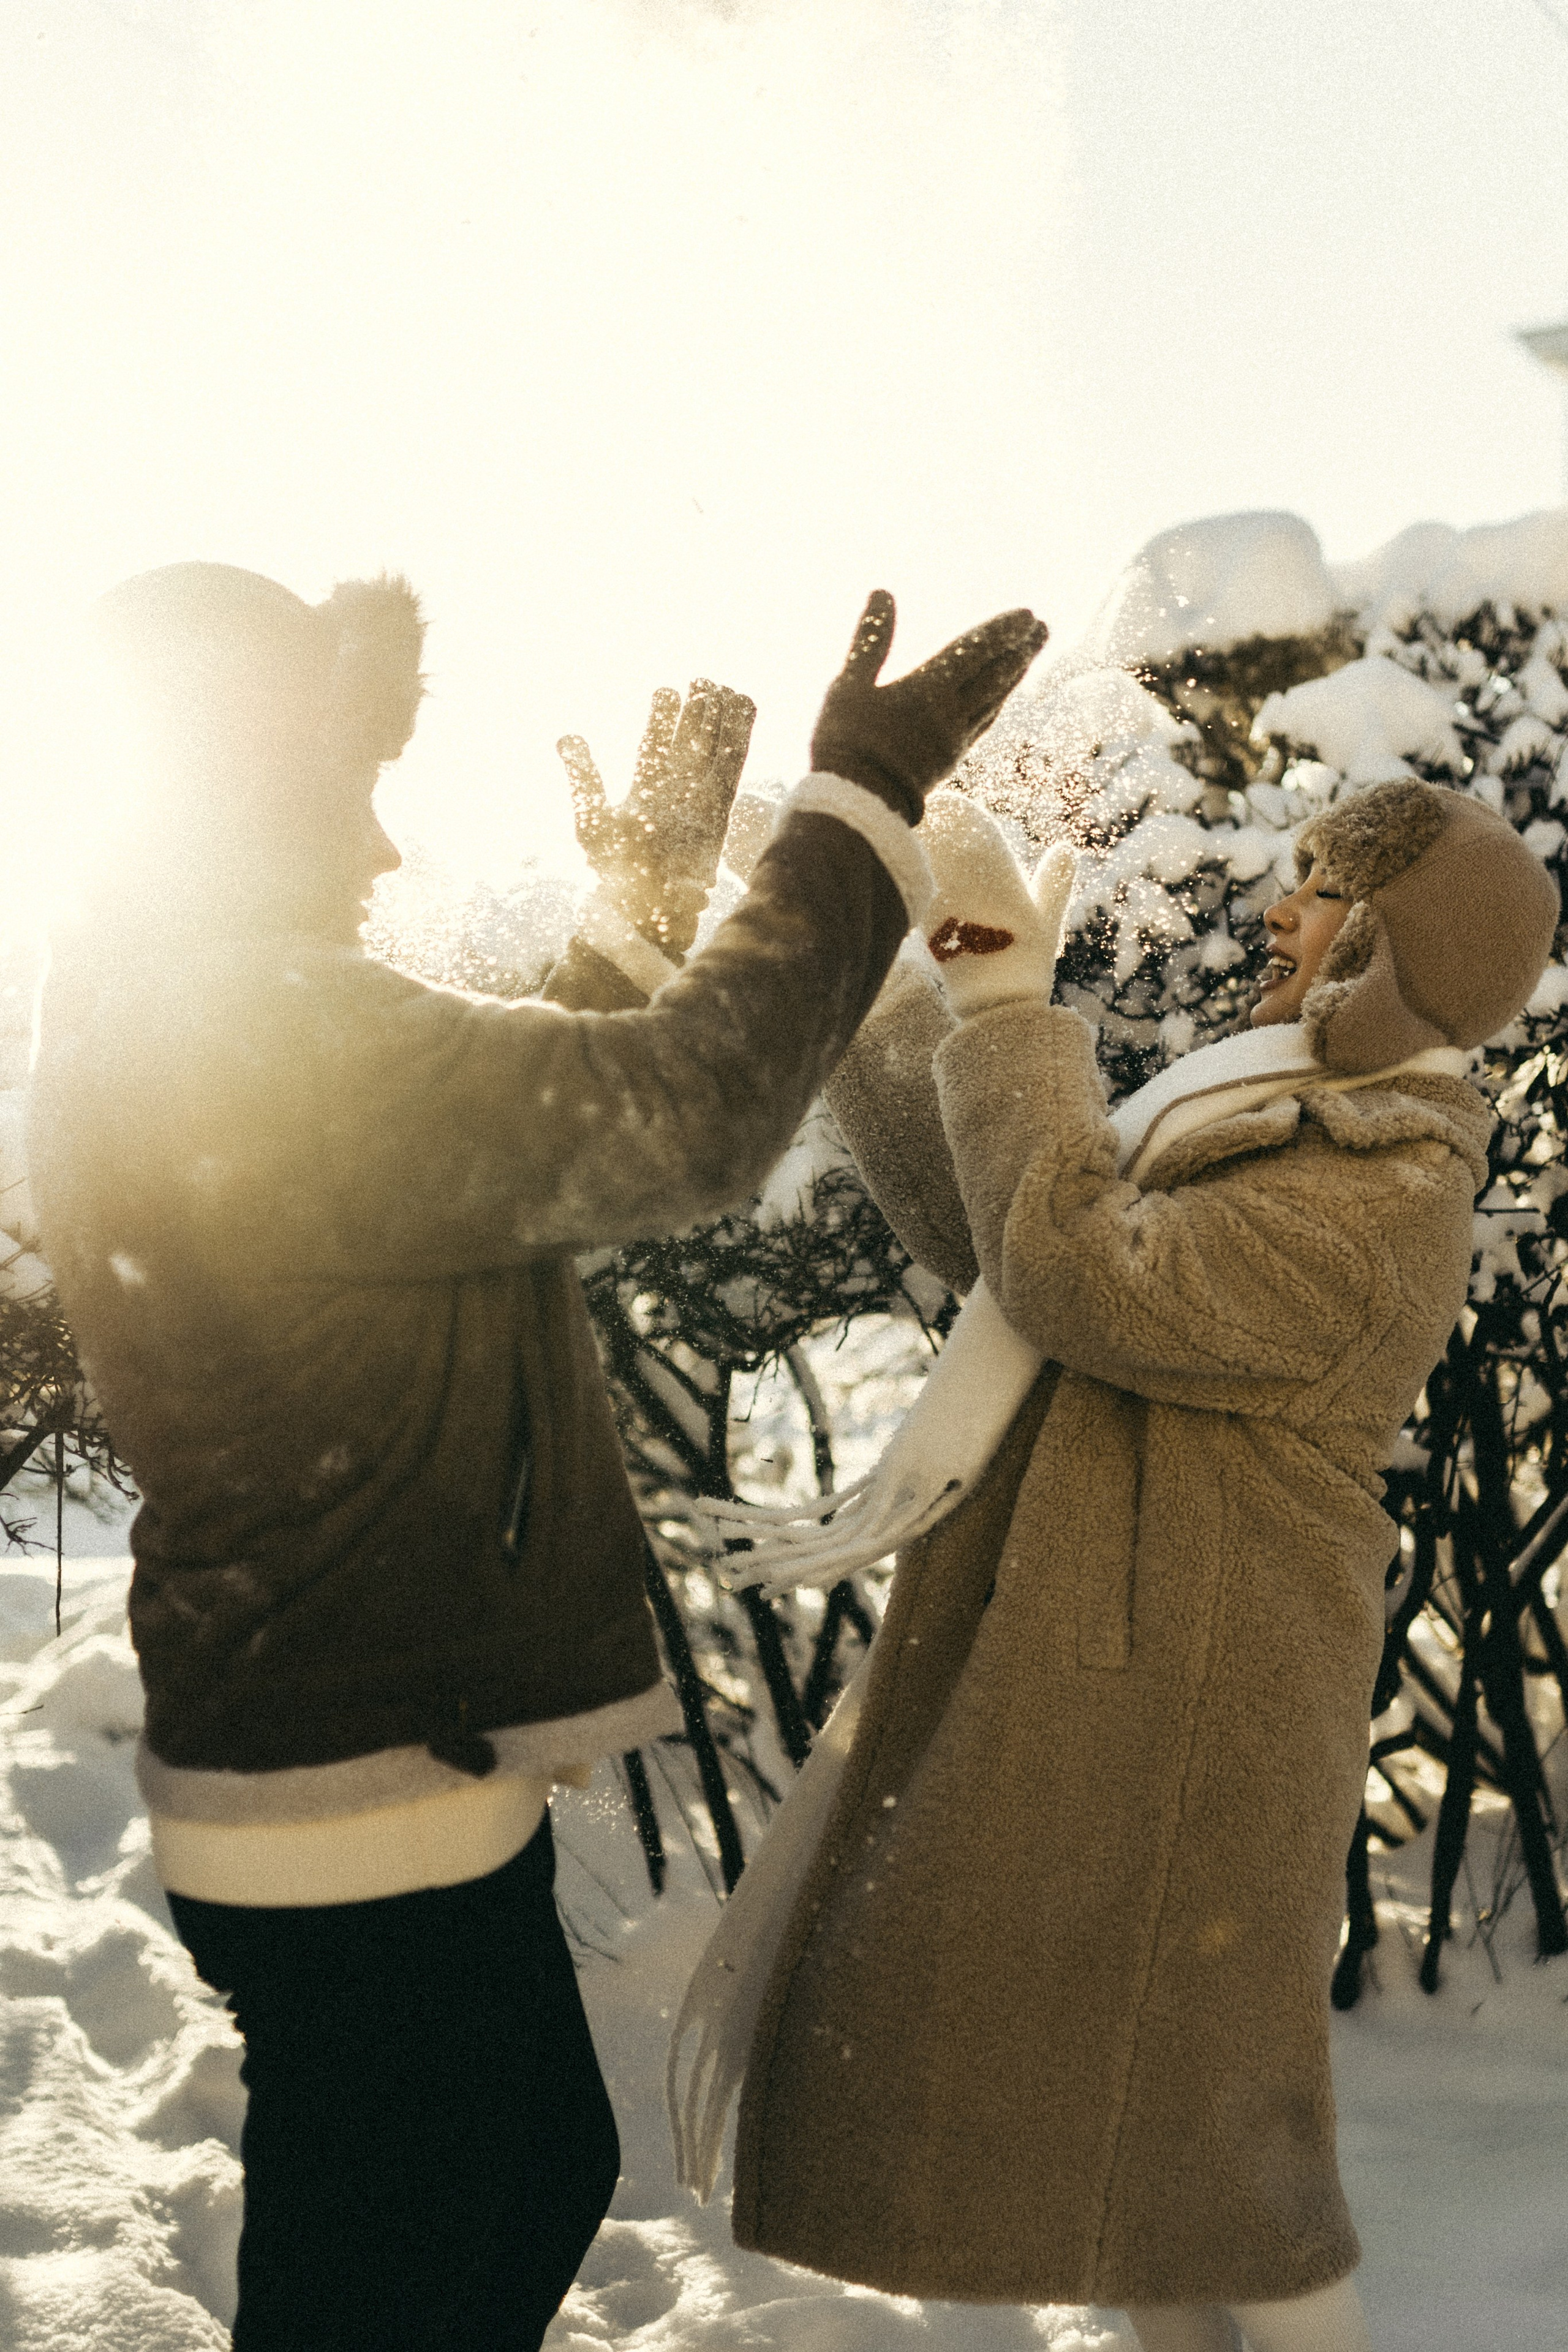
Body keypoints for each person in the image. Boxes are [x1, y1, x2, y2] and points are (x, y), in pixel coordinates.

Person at [26, 560, 1047, 2352]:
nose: (385, 849)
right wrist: (858, 813)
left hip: (359, 1753)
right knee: (399, 2273)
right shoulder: (255, 1025)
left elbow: (487, 1140)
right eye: (351, 787)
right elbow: (676, 1114)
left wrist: (644, 902)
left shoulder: (193, 1012)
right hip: (351, 1786)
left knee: (525, 2175)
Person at [676, 777, 1557, 2352]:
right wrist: (893, 980)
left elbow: (1082, 1275)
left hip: (1202, 1698)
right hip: (1125, 1670)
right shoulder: (1255, 1105)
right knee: (1142, 2157)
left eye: (1317, 897)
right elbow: (995, 1235)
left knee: (1221, 2161)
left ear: (1381, 948)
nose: (1275, 917)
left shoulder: (1387, 1187)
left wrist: (1017, 1000)